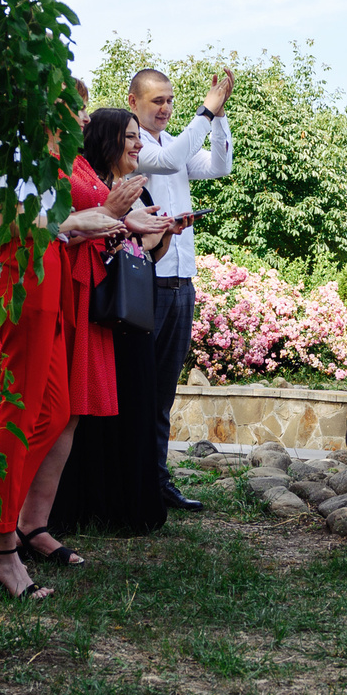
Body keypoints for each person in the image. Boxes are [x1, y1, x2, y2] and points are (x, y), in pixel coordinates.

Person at [0, 97, 160, 597]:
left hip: (56, 284)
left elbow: (62, 227)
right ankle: (1, 547)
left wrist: (106, 222)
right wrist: (79, 223)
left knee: (54, 409)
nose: (86, 118)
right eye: (76, 107)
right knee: (24, 413)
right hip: (26, 283)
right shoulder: (10, 154)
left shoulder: (58, 160)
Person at [49, 108, 176, 540]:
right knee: (74, 413)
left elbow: (133, 252)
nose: (138, 144)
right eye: (130, 136)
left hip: (127, 305)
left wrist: (154, 233)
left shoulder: (123, 188)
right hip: (94, 304)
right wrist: (117, 220)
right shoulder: (81, 176)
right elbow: (86, 236)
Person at [127, 66, 233, 510]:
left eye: (170, 100)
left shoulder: (176, 142)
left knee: (165, 389)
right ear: (133, 102)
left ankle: (156, 478)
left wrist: (220, 115)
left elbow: (219, 166)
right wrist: (206, 111)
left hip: (180, 280)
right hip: (145, 278)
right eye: (157, 101)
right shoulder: (133, 149)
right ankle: (138, 481)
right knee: (141, 388)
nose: (166, 109)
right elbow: (170, 163)